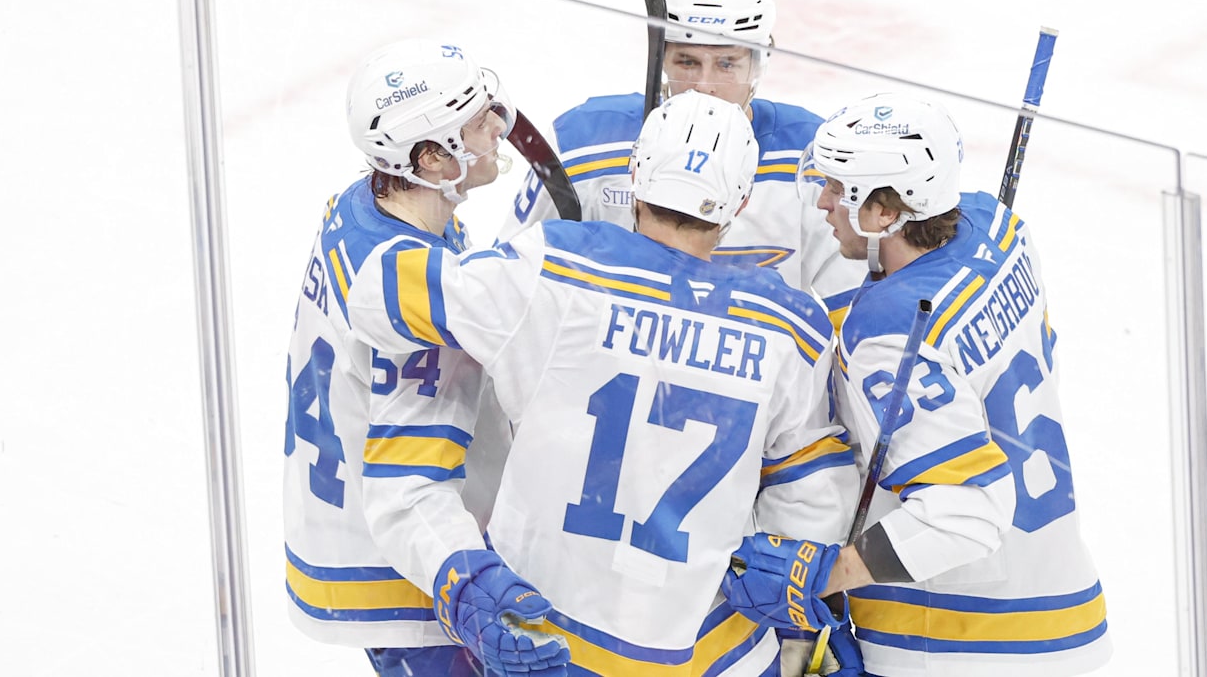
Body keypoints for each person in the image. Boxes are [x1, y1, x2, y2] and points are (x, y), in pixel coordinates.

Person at [348, 90, 860, 676]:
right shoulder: (791, 324)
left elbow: (377, 297)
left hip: (543, 636)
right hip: (711, 650)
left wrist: (374, 203)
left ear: (636, 176)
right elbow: (812, 492)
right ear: (739, 201)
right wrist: (791, 607)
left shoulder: (555, 268)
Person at [725, 93, 1112, 676]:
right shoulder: (1000, 229)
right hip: (1065, 608)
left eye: (840, 189)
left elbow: (963, 513)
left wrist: (824, 574)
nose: (824, 204)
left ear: (886, 213)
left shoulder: (891, 333)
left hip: (963, 641)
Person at [283, 38, 553, 676]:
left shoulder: (370, 207)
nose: (496, 127)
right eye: (474, 121)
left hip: (345, 512)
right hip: (404, 573)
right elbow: (408, 489)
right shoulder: (409, 311)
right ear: (431, 158)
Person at [500, 0, 866, 328]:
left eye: (726, 64)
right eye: (687, 62)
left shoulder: (813, 159)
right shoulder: (583, 144)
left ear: (758, 64)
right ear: (662, 58)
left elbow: (855, 319)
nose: (705, 86)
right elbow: (509, 292)